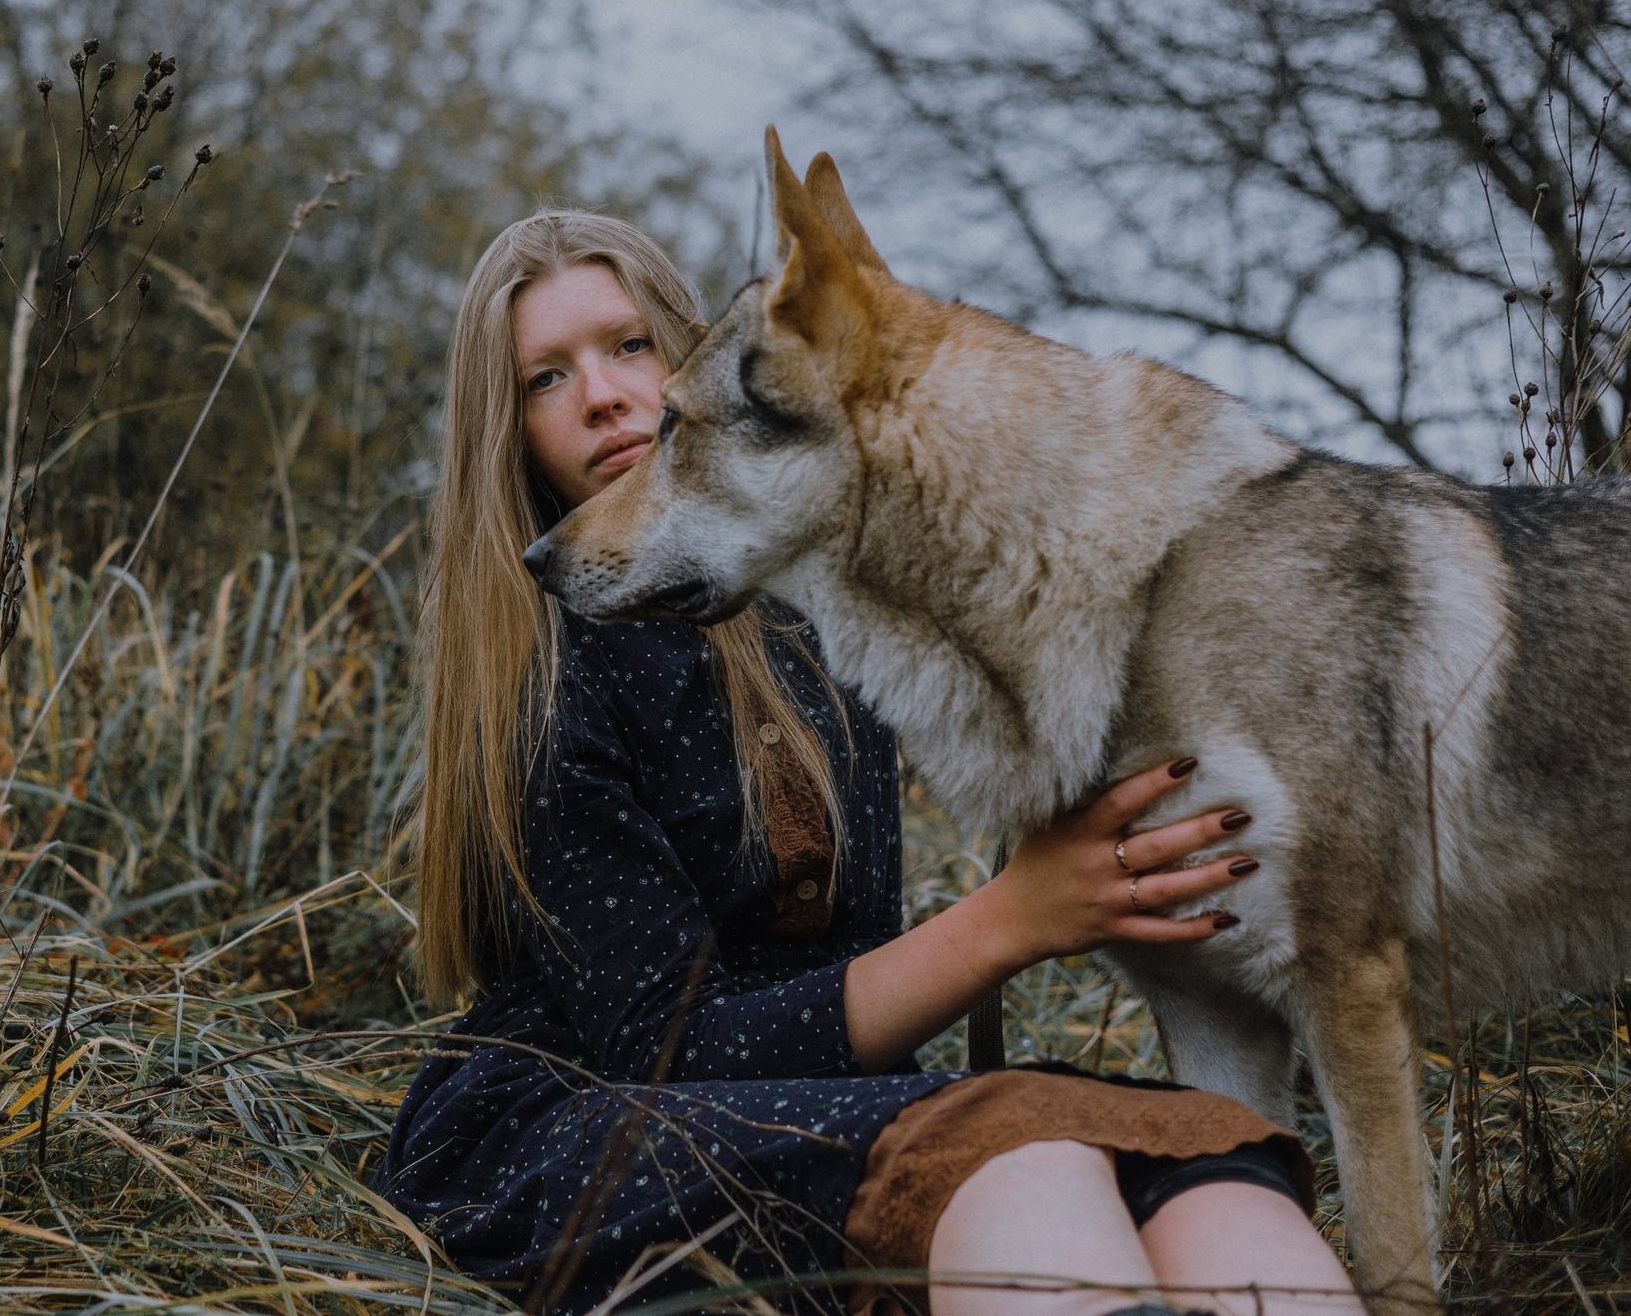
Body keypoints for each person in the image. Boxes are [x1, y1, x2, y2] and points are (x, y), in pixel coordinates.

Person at [377, 211, 1365, 1316]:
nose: (602, 394)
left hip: (825, 1106)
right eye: (543, 378)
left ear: (692, 363)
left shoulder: (818, 630)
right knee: (1018, 1158)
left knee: (1201, 1153)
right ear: (504, 430)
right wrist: (1013, 919)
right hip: (577, 1138)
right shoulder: (549, 681)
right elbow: (671, 1053)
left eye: (627, 346)